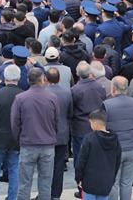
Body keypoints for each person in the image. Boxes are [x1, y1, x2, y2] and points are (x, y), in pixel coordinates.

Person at [11, 68, 58, 200]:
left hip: (27, 144)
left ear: (28, 80)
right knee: (45, 184)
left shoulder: (20, 98)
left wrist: (19, 138)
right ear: (42, 80)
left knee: (24, 184)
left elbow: (15, 122)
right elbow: (56, 120)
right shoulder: (52, 97)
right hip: (47, 144)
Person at [0, 65, 24, 200]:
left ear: (4, 78)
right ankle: (12, 197)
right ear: (19, 78)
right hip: (15, 138)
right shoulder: (23, 95)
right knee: (14, 170)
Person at [102, 76, 133, 200]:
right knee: (127, 182)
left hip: (114, 148)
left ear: (113, 88)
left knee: (113, 182)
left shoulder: (107, 104)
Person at [75, 109, 121, 200]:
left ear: (95, 124)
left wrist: (78, 178)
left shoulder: (89, 138)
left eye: (90, 123)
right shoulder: (115, 140)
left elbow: (81, 161)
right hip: (106, 182)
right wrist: (112, 179)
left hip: (89, 182)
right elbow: (117, 162)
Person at [44, 67, 72, 200]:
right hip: (61, 134)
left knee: (45, 167)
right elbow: (70, 113)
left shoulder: (44, 93)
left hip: (46, 135)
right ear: (60, 79)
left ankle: (45, 193)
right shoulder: (67, 93)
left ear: (45, 79)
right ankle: (56, 195)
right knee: (58, 166)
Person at [71, 61, 106, 168]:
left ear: (77, 74)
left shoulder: (75, 90)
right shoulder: (100, 86)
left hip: (80, 128)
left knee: (80, 157)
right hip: (97, 125)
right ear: (91, 72)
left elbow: (71, 109)